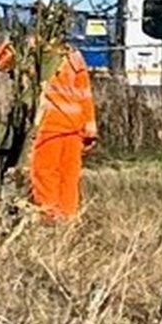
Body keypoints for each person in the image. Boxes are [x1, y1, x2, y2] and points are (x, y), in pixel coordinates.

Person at [29, 42, 98, 220]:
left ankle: (50, 219)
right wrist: (90, 126)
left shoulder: (36, 50)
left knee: (45, 172)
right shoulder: (74, 55)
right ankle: (68, 218)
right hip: (75, 124)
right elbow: (85, 92)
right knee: (69, 175)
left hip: (49, 124)